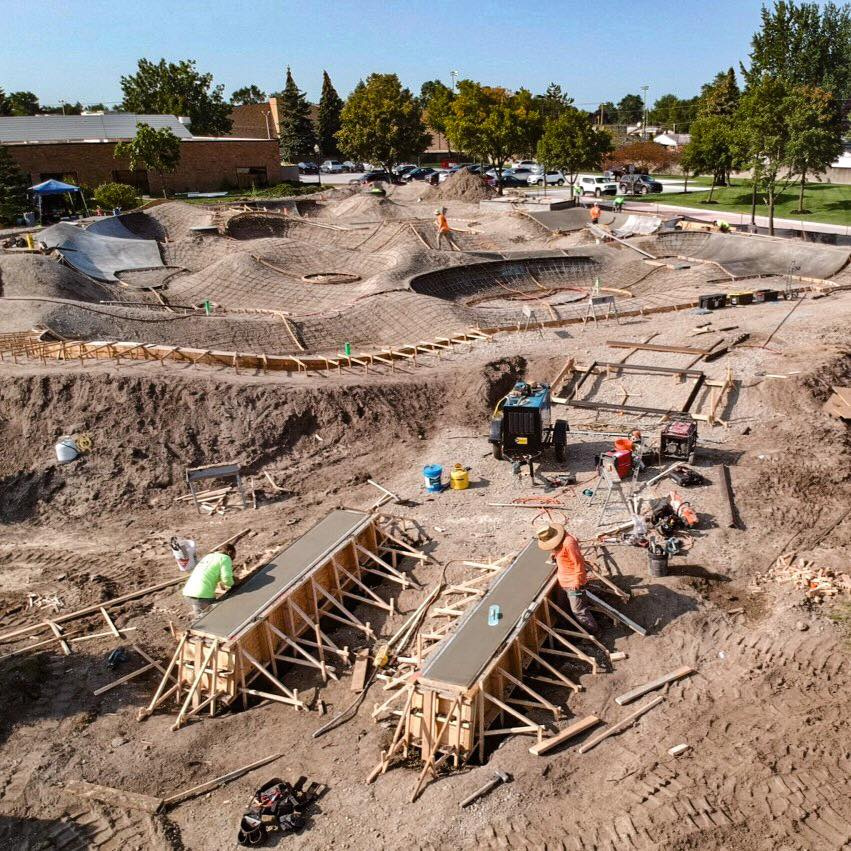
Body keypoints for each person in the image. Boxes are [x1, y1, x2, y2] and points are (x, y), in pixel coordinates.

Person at [536, 524, 599, 635]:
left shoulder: (569, 543)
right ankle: (574, 631)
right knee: (562, 607)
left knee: (578, 611)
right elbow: (561, 553)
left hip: (573, 584)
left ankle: (592, 632)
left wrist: (577, 582)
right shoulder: (558, 543)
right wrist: (554, 555)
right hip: (563, 581)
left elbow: (578, 563)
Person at [182, 543, 236, 616]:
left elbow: (211, 573)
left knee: (201, 615)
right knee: (209, 617)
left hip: (189, 591)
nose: (232, 560)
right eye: (233, 557)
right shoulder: (225, 558)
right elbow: (226, 578)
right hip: (202, 595)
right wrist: (232, 584)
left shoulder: (209, 556)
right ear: (230, 552)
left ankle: (198, 615)